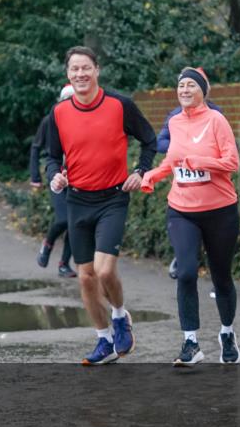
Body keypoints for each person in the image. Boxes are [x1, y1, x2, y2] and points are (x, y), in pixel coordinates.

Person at [46, 46, 157, 366]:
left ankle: (120, 316)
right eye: (74, 69)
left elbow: (149, 140)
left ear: (97, 70)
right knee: (85, 277)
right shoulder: (59, 112)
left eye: (86, 68)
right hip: (77, 200)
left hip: (113, 198)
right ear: (68, 74)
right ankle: (104, 339)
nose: (80, 74)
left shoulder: (120, 105)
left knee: (104, 270)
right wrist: (54, 176)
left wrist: (140, 171)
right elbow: (52, 156)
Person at [141, 67, 240, 366]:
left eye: (191, 85)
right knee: (185, 272)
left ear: (203, 91)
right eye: (181, 85)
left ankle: (227, 333)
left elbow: (232, 162)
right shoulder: (174, 122)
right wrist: (153, 175)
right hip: (182, 210)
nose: (184, 90)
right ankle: (190, 342)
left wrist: (203, 162)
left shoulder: (216, 120)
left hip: (220, 211)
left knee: (221, 277)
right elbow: (174, 161)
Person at [157, 97, 224, 281]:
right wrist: (184, 149)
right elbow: (160, 142)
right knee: (186, 229)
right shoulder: (175, 116)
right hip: (185, 189)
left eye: (195, 86)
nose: (188, 91)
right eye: (184, 86)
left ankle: (219, 280)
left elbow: (229, 146)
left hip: (214, 189)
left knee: (216, 239)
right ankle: (182, 258)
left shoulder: (216, 113)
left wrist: (208, 154)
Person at [30, 84, 77, 279]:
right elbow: (36, 147)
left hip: (78, 178)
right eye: (66, 99)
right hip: (56, 177)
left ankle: (64, 264)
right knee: (64, 219)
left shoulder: (83, 119)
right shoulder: (50, 120)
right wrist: (35, 176)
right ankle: (47, 244)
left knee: (75, 222)